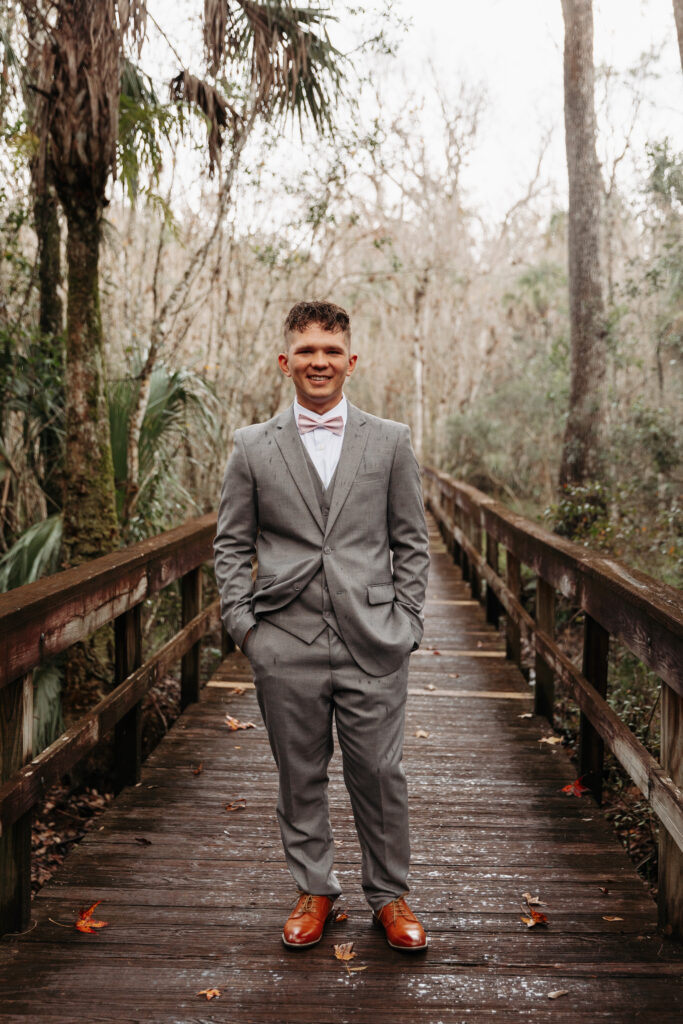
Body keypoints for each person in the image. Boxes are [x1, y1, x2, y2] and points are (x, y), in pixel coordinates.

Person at [213, 300, 430, 951]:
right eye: (306, 350)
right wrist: (246, 628)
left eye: (330, 350)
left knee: (379, 774)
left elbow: (411, 541)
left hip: (373, 640)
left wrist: (408, 621)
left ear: (350, 360)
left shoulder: (388, 440)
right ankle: (314, 888)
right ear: (286, 361)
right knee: (297, 772)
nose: (318, 361)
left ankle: (390, 897)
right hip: (284, 640)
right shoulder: (252, 447)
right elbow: (231, 544)